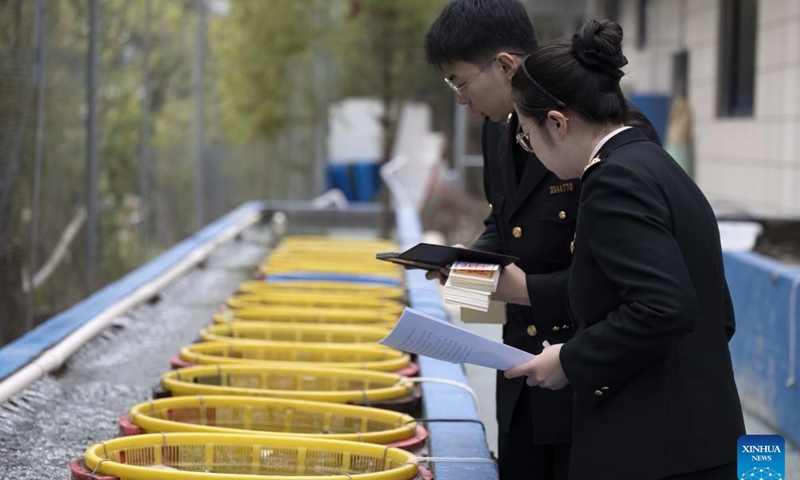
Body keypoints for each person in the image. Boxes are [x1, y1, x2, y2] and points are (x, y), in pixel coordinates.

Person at [423, 2, 660, 479]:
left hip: (585, 379)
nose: (460, 98)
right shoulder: (498, 131)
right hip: (519, 369)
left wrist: (529, 290)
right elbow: (506, 221)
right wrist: (464, 267)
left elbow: (631, 284)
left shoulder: (608, 134)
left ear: (506, 65)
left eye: (460, 81)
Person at [504, 19, 745, 480]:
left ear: (556, 123)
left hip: (653, 453)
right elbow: (720, 317)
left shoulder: (613, 181)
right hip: (706, 441)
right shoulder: (658, 165)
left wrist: (571, 360)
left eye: (526, 136)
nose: (529, 148)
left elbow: (666, 306)